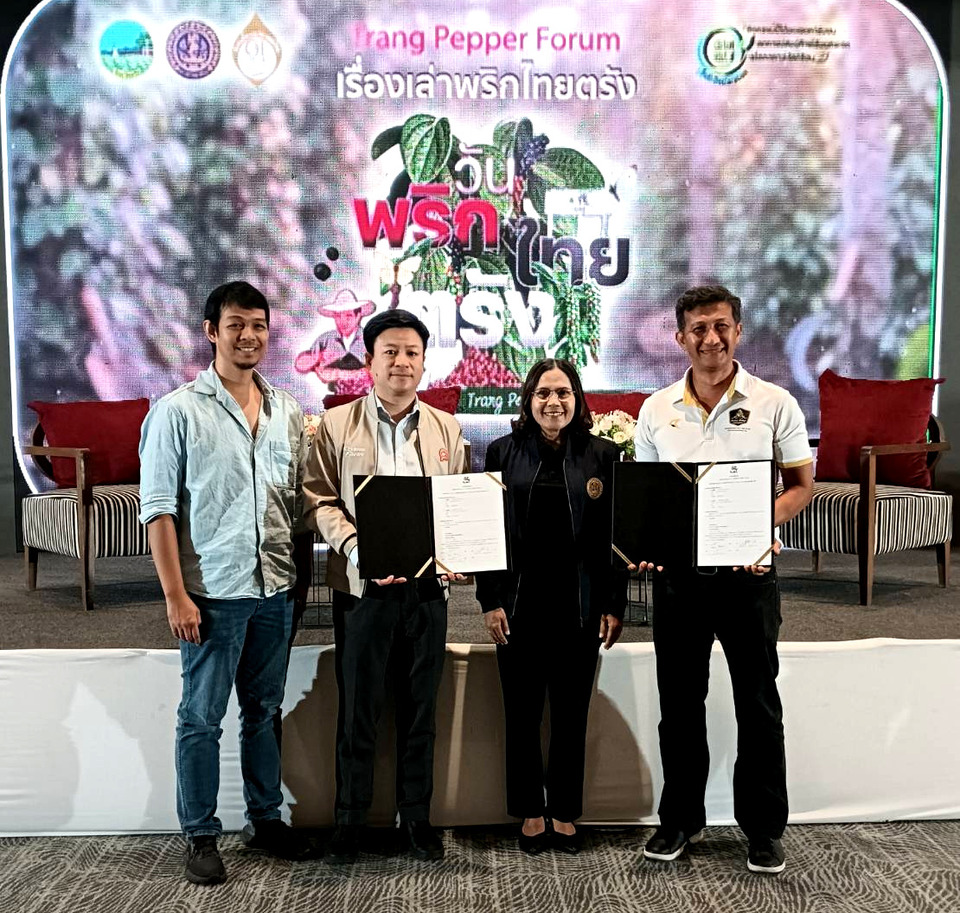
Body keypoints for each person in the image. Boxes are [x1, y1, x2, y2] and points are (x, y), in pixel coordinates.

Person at [632, 285, 813, 875]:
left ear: (738, 331)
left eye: (721, 326)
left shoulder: (775, 403)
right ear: (680, 338)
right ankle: (679, 820)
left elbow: (801, 487)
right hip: (680, 583)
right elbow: (652, 500)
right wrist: (646, 548)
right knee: (679, 705)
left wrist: (759, 526)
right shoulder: (656, 409)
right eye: (698, 329)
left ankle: (762, 828)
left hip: (748, 578)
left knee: (757, 704)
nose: (711, 338)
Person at [139, 280, 314, 886]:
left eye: (258, 325)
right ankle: (200, 833)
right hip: (212, 596)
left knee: (264, 711)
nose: (249, 335)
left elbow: (298, 502)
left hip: (275, 590)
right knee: (202, 717)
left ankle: (264, 821)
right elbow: (159, 511)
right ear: (212, 331)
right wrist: (175, 595)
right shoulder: (177, 411)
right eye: (236, 324)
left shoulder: (288, 410)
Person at [302, 308, 468, 863]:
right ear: (369, 361)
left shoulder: (446, 429)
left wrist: (459, 553)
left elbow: (456, 504)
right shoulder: (336, 425)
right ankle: (350, 820)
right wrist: (358, 549)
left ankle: (416, 819)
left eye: (412, 353)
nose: (402, 362)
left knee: (421, 710)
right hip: (362, 589)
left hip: (426, 593)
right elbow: (319, 499)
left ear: (423, 362)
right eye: (390, 352)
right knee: (358, 711)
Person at [477, 358, 626, 855]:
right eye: (543, 393)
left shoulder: (603, 454)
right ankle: (530, 811)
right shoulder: (502, 451)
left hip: (579, 607)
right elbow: (487, 533)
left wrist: (614, 603)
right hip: (517, 607)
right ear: (529, 400)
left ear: (577, 399)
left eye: (563, 393)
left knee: (570, 715)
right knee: (520, 716)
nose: (554, 402)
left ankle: (563, 810)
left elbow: (614, 536)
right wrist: (490, 600)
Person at [295, 288, 374, 383]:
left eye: (348, 316)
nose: (343, 322)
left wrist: (341, 374)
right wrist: (320, 357)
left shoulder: (369, 339)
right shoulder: (325, 340)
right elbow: (302, 364)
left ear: (358, 316)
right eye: (338, 316)